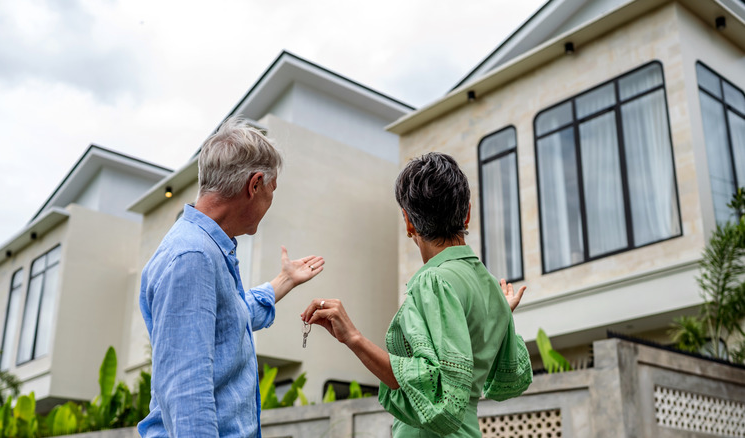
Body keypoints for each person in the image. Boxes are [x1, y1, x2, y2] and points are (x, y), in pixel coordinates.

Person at [301, 152, 532, 437]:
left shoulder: (433, 281)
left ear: (408, 221)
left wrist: (353, 338)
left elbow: (430, 385)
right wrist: (500, 310)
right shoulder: (486, 283)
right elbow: (506, 373)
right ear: (467, 212)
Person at [138, 117, 325, 438]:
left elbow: (228, 320)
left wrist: (284, 281)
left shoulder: (203, 248)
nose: (270, 201)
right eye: (272, 189)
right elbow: (186, 388)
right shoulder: (192, 256)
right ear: (254, 185)